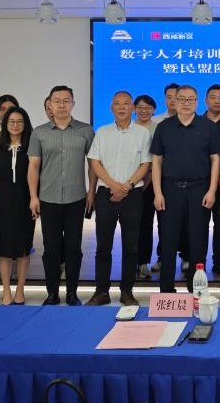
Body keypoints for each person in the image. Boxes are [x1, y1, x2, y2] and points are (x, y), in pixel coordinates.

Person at [28, 85, 95, 306]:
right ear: (50, 104)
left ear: (73, 103)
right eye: (57, 101)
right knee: (51, 249)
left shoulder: (86, 131)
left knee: (74, 248)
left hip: (76, 198)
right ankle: (52, 293)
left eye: (66, 100)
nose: (62, 105)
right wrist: (33, 197)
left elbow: (93, 165)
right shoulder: (39, 132)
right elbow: (33, 167)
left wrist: (91, 192)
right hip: (48, 198)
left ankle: (72, 293)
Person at [150, 84, 220, 293]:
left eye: (191, 99)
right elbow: (156, 161)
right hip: (170, 190)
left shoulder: (208, 127)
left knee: (198, 241)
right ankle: (166, 290)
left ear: (197, 102)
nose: (186, 103)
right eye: (182, 99)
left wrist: (212, 190)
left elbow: (215, 160)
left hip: (199, 190)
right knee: (168, 240)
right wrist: (157, 192)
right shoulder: (164, 127)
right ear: (175, 101)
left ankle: (196, 290)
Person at [86, 91, 152, 307]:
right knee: (103, 246)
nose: (122, 107)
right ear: (111, 108)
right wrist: (113, 185)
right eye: (117, 104)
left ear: (132, 108)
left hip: (133, 194)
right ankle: (101, 292)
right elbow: (95, 162)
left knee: (131, 246)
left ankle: (127, 291)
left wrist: (127, 186)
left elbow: (146, 164)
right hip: (106, 194)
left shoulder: (142, 133)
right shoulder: (102, 132)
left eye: (126, 104)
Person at [0, 107, 35, 305]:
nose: (15, 125)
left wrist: (34, 199)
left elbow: (36, 174)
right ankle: (6, 290)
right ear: (5, 124)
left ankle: (20, 289)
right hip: (3, 201)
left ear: (25, 124)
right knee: (3, 248)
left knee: (23, 247)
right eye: (11, 121)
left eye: (19, 121)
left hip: (25, 200)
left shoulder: (32, 146)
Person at [203, 84, 220, 278]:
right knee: (198, 224)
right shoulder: (197, 122)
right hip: (200, 180)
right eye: (213, 97)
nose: (217, 101)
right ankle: (197, 263)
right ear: (206, 100)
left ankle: (219, 262)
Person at [133, 94, 158, 279]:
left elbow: (158, 158)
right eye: (140, 107)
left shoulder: (158, 129)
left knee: (146, 225)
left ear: (154, 110)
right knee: (130, 226)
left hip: (150, 184)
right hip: (128, 184)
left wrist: (147, 179)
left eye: (148, 108)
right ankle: (130, 262)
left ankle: (143, 263)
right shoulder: (128, 128)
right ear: (134, 109)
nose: (144, 111)